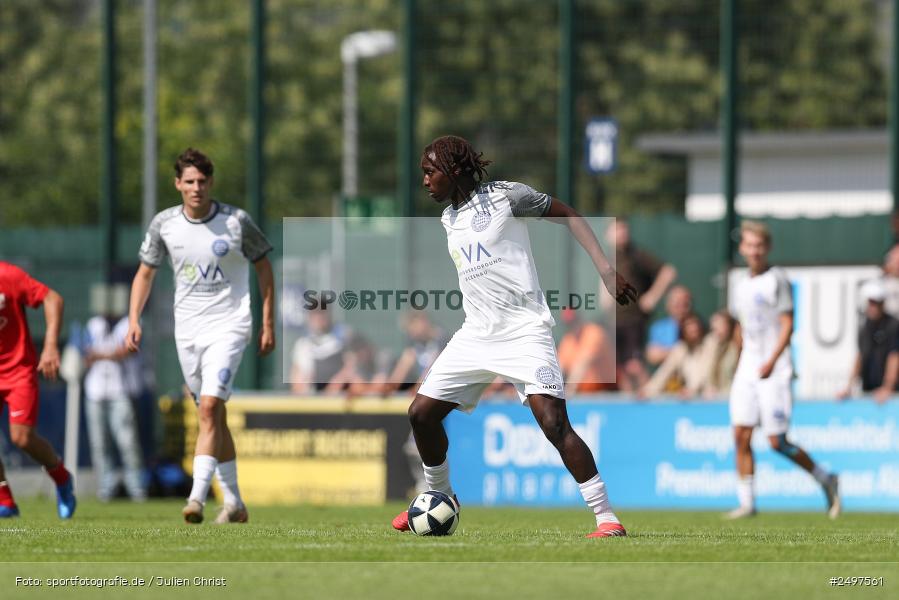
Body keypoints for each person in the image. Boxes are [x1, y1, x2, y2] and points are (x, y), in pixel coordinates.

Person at [391, 135, 637, 538]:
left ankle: (606, 517)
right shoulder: (448, 218)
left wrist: (606, 270)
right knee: (421, 413)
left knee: (554, 423)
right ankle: (439, 496)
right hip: (476, 334)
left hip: (524, 331)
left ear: (454, 170)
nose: (425, 181)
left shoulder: (506, 197)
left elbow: (569, 214)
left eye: (430, 172)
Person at [127, 148, 275, 524]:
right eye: (189, 181)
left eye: (202, 181)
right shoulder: (164, 224)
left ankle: (196, 499)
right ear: (178, 184)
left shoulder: (236, 222)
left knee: (208, 409)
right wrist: (133, 319)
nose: (197, 188)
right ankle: (235, 503)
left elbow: (264, 268)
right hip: (188, 331)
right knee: (213, 415)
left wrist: (267, 323)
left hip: (229, 325)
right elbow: (145, 273)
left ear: (211, 183)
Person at [727, 220, 839, 520]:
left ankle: (825, 478)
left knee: (777, 441)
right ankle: (747, 503)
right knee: (740, 434)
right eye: (749, 245)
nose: (754, 251)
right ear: (742, 249)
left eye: (759, 245)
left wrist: (772, 360)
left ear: (768, 248)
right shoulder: (740, 285)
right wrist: (737, 360)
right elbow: (741, 328)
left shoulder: (776, 280)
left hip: (774, 368)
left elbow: (788, 324)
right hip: (747, 367)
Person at [0, 261, 76, 519]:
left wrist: (51, 346)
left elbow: (53, 298)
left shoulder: (7, 275)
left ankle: (61, 477)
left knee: (22, 438)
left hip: (18, 370)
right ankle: (5, 501)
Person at [83, 284, 146, 501]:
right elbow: (85, 353)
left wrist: (101, 355)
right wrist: (103, 354)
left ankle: (136, 487)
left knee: (127, 441)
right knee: (99, 443)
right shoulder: (93, 325)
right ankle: (105, 487)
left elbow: (127, 350)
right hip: (95, 391)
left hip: (120, 389)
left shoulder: (129, 324)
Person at [605, 219, 677, 392]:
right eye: (617, 230)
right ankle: (629, 401)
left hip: (633, 318)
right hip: (615, 319)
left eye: (624, 229)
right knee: (621, 367)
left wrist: (652, 296)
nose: (622, 234)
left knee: (634, 365)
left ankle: (649, 394)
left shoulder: (636, 255)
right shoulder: (610, 257)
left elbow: (668, 272)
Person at [837, 279, 898, 404]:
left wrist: (887, 388)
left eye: (875, 303)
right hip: (870, 392)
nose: (872, 307)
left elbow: (894, 357)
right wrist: (849, 388)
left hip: (890, 397)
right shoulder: (865, 327)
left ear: (882, 304)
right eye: (870, 303)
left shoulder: (893, 325)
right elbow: (860, 357)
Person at [640, 313, 709, 398]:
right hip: (690, 397)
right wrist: (649, 390)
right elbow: (665, 371)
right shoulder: (680, 349)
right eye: (688, 327)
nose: (692, 330)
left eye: (695, 327)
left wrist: (692, 389)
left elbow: (704, 372)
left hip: (710, 395)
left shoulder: (710, 344)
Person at [289, 308, 350, 393]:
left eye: (321, 314)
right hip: (312, 396)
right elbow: (296, 380)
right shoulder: (302, 344)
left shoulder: (344, 337)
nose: (318, 319)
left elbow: (351, 368)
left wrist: (332, 388)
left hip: (338, 395)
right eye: (315, 315)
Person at [557, 307, 616, 393]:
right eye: (568, 323)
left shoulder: (593, 333)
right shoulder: (567, 340)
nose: (572, 325)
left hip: (606, 391)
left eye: (573, 321)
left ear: (579, 320)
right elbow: (560, 367)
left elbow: (583, 363)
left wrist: (569, 389)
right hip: (582, 393)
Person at [645, 285, 693, 366]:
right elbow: (652, 356)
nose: (681, 308)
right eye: (677, 304)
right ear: (668, 305)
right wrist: (678, 353)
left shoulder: (696, 326)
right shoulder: (659, 327)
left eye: (685, 304)